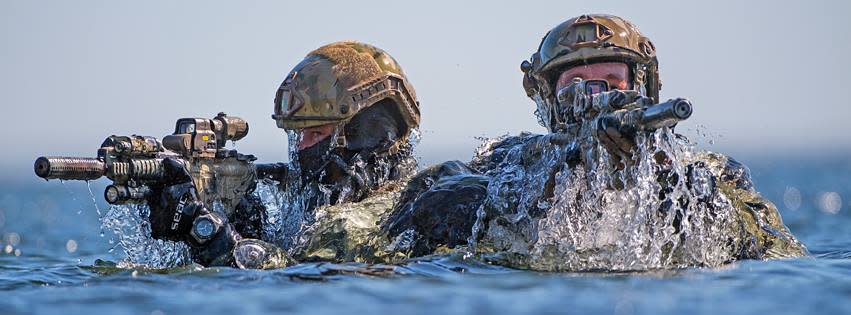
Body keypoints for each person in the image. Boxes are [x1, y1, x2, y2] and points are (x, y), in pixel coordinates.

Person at [383, 14, 808, 271]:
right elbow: (424, 218)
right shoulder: (505, 160)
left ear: (642, 88)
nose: (592, 98)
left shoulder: (708, 172)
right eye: (576, 86)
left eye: (607, 84)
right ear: (548, 98)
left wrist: (661, 174)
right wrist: (560, 174)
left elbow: (769, 248)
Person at [146, 41, 422, 269]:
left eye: (315, 134)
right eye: (298, 136)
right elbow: (285, 263)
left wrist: (207, 233)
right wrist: (240, 221)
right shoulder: (328, 216)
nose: (302, 148)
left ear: (368, 136)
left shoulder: (394, 214)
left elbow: (308, 278)